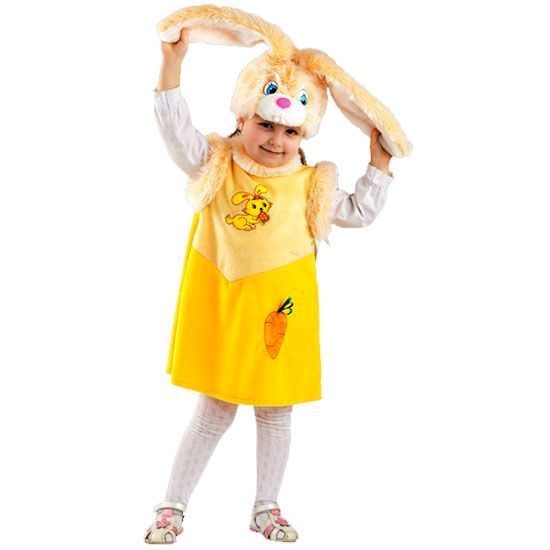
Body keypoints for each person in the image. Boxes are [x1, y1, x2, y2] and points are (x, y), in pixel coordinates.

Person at [145, 26, 395, 545]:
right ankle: (173, 505)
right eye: (265, 124)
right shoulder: (215, 165)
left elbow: (358, 212)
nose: (276, 141)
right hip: (226, 306)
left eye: (290, 132)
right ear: (242, 118)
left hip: (280, 316)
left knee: (276, 413)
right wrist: (172, 66)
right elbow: (176, 130)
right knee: (214, 410)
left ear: (305, 136)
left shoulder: (310, 185)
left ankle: (266, 507)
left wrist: (379, 163)